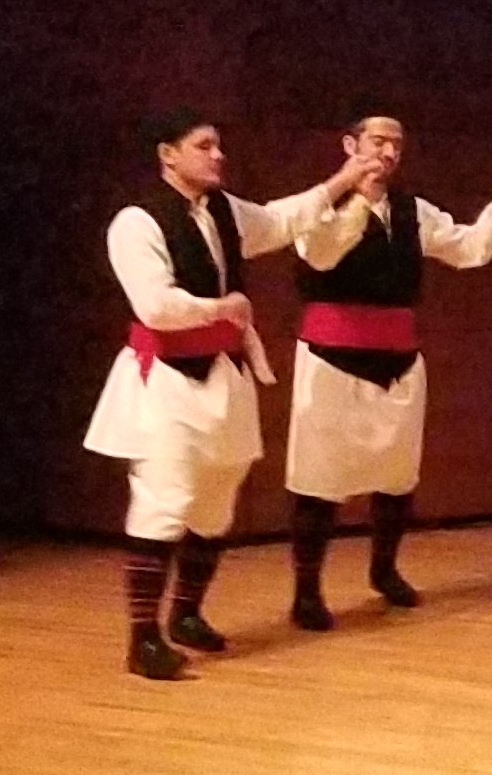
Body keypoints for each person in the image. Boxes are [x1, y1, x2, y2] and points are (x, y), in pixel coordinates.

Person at [85, 111, 377, 679]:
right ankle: (142, 637)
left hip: (222, 371)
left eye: (219, 145)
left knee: (217, 499)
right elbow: (154, 304)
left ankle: (186, 614)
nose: (218, 155)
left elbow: (278, 221)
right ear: (168, 154)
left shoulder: (222, 210)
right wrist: (222, 308)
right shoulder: (136, 221)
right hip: (166, 377)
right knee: (164, 498)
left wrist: (345, 180)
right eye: (204, 145)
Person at [281, 111, 492, 631]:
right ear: (350, 143)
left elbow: (468, 248)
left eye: (396, 144)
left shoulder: (413, 211)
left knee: (396, 477)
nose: (388, 153)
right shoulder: (318, 207)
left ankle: (384, 570)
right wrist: (356, 197)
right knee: (318, 478)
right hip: (331, 358)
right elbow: (323, 256)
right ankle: (306, 592)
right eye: (378, 141)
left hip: (398, 360)